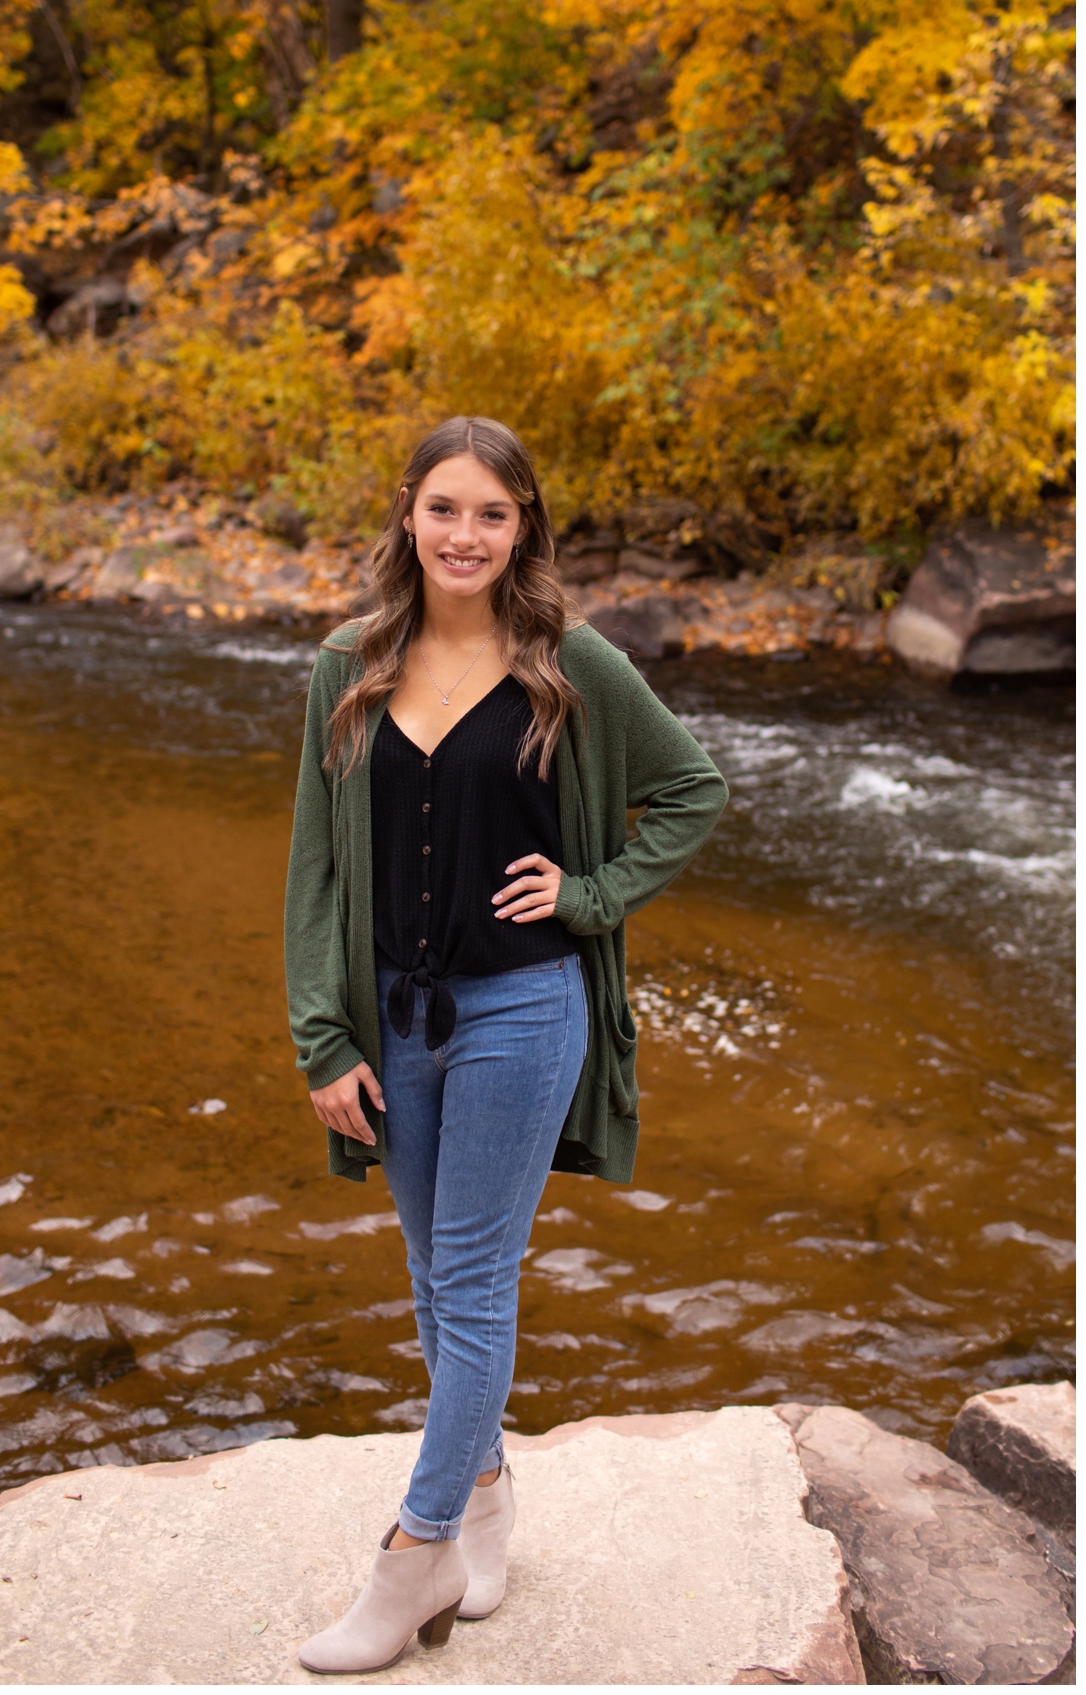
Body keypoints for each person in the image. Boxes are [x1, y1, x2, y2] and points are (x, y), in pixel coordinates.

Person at [283, 418, 727, 1674]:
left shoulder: (569, 663)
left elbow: (693, 789)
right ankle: (485, 1500)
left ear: (523, 525)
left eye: (491, 513)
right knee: (432, 1281)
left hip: (525, 1012)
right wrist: (323, 1037)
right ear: (407, 518)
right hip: (394, 1018)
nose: (465, 536)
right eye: (444, 509)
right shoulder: (350, 664)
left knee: (471, 1285)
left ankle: (407, 1558)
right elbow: (317, 866)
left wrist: (588, 895)